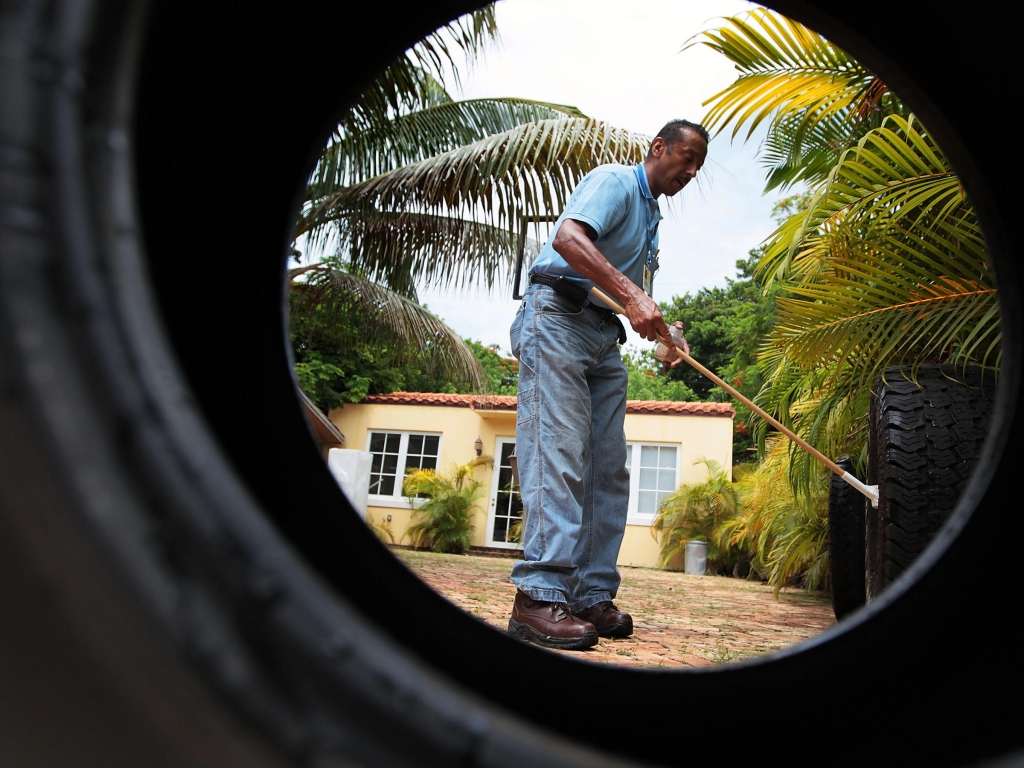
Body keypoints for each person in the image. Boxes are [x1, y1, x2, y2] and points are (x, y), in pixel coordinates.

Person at [506, 119, 709, 650]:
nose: (690, 171)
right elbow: (568, 239)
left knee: (608, 468)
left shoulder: (652, 220)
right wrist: (634, 296)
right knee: (559, 453)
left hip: (602, 337)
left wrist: (671, 336)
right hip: (556, 320)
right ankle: (537, 597)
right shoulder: (616, 181)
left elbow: (628, 297)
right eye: (686, 158)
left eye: (698, 167)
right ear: (658, 147)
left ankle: (589, 595)